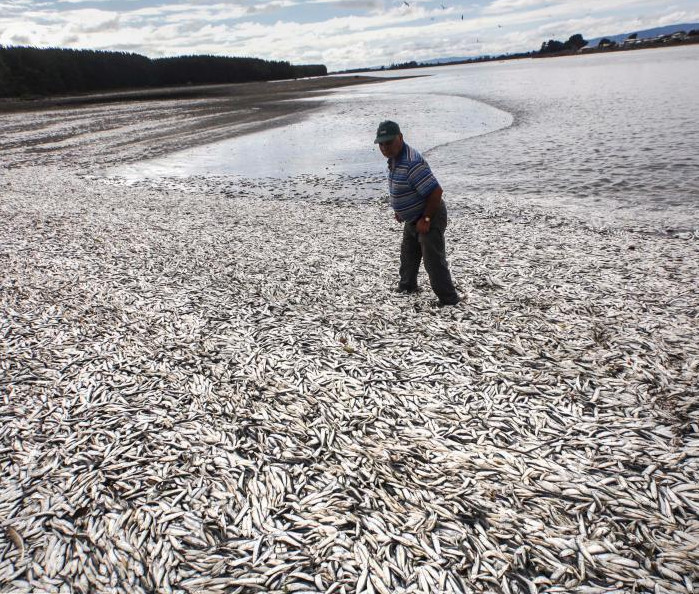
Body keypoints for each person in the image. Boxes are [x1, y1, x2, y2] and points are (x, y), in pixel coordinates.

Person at [375, 120, 459, 306]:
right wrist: (400, 210)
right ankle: (408, 286)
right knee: (408, 254)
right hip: (413, 218)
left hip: (430, 215)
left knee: (433, 260)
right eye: (381, 143)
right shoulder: (396, 158)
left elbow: (436, 192)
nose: (385, 147)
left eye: (389, 142)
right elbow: (402, 186)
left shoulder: (412, 162)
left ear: (400, 138)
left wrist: (427, 219)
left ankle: (449, 299)